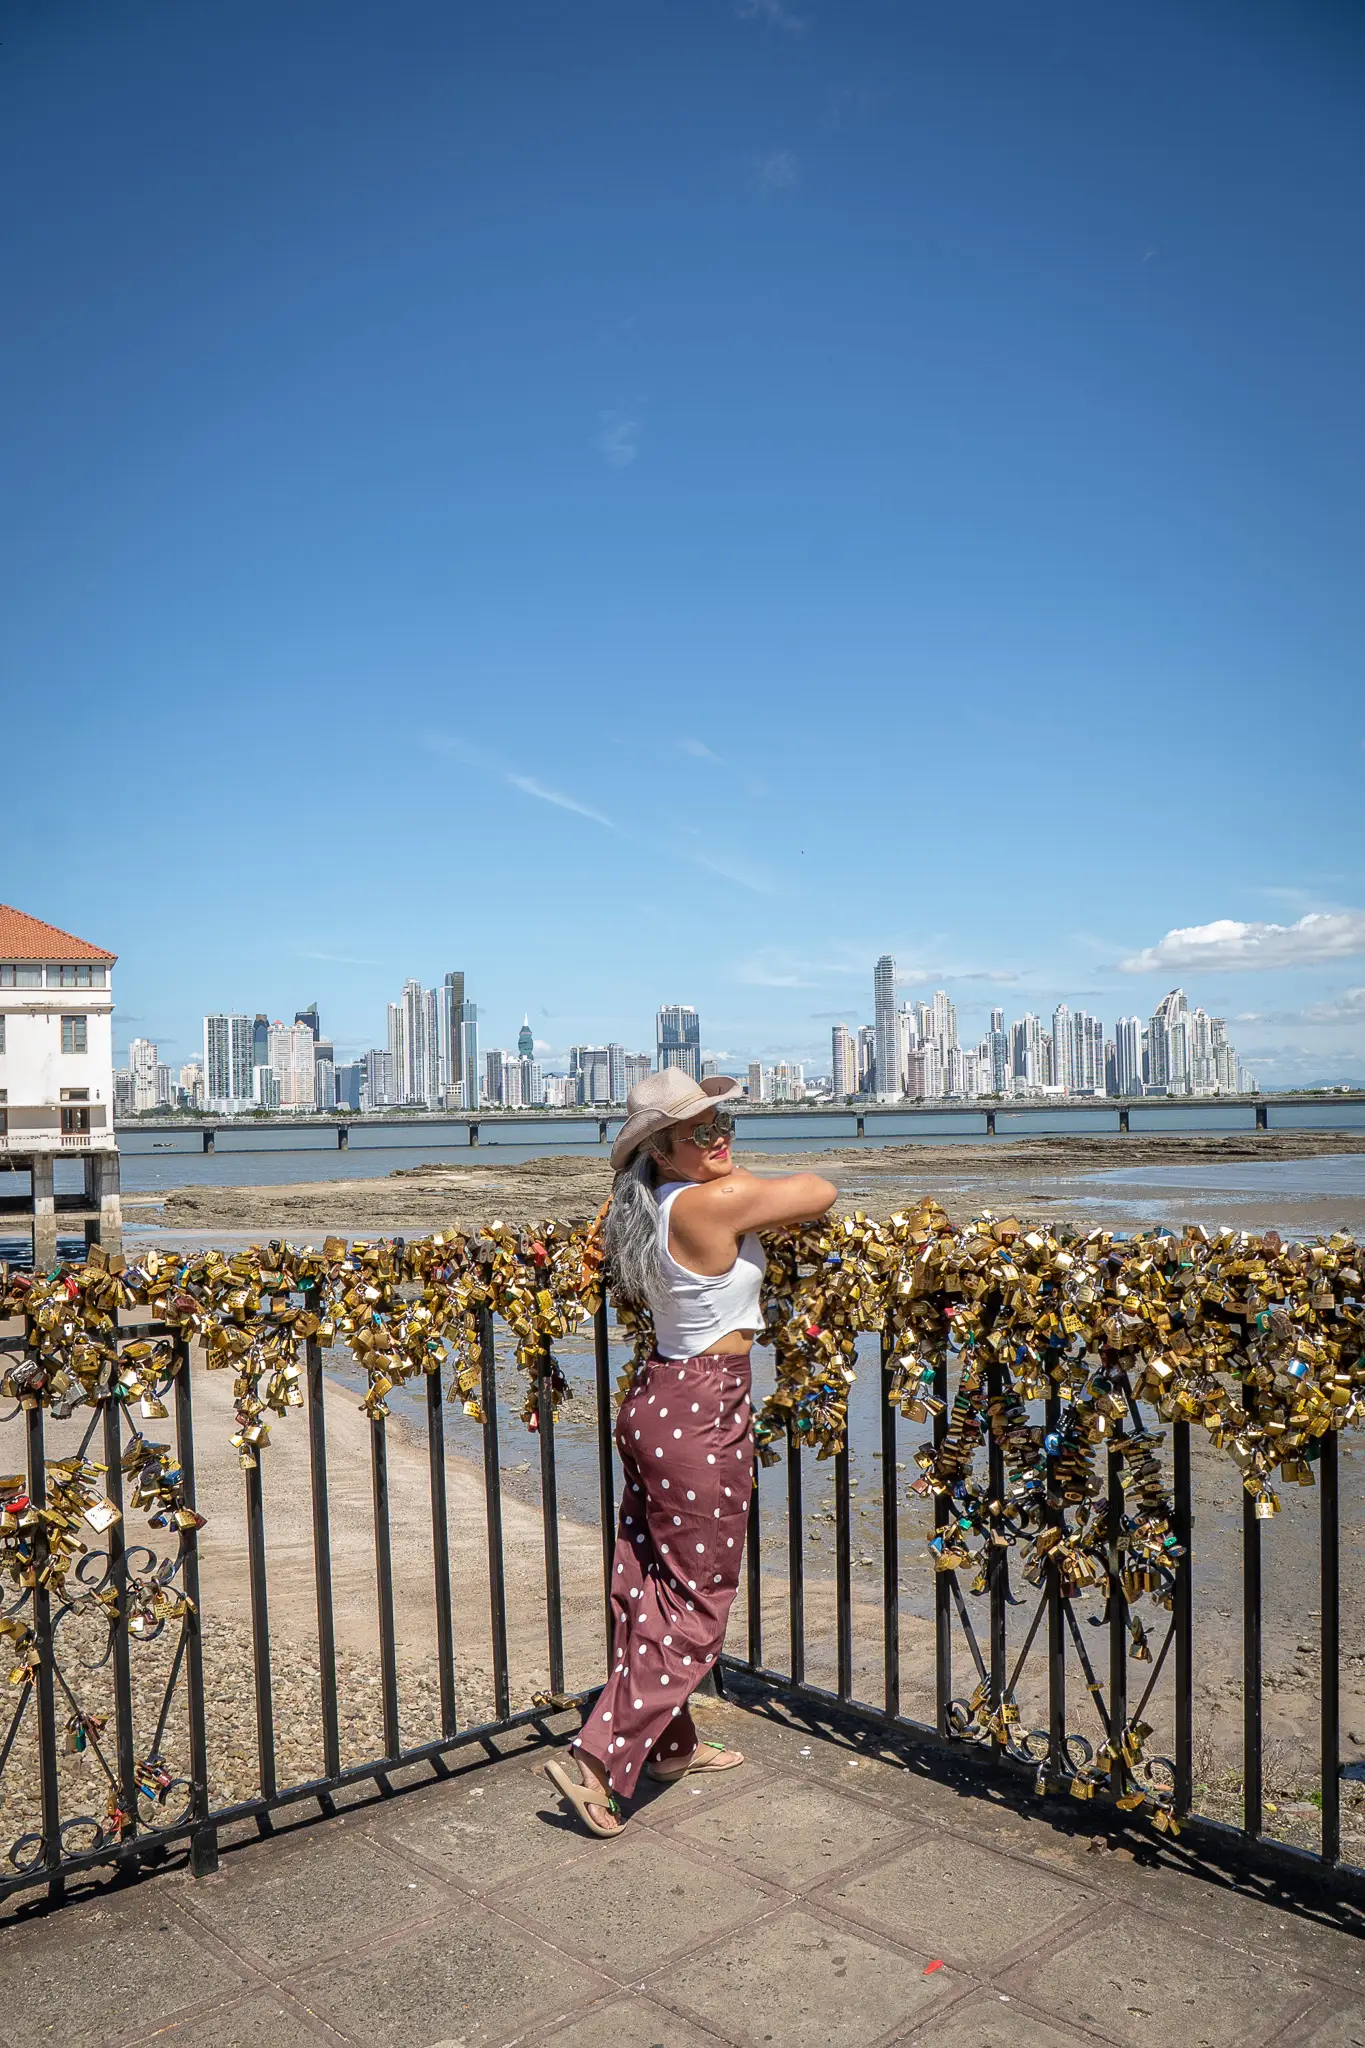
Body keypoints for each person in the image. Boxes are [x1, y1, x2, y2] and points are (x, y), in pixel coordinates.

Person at [544, 1067, 837, 1836]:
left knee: (645, 1580)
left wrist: (709, 1162)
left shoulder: (649, 1206)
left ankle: (669, 1746)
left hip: (657, 1398)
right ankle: (601, 1760)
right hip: (702, 1407)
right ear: (661, 1152)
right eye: (697, 1132)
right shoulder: (713, 1199)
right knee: (700, 1596)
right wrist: (733, 1172)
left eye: (723, 1126)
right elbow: (818, 1189)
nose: (718, 1139)